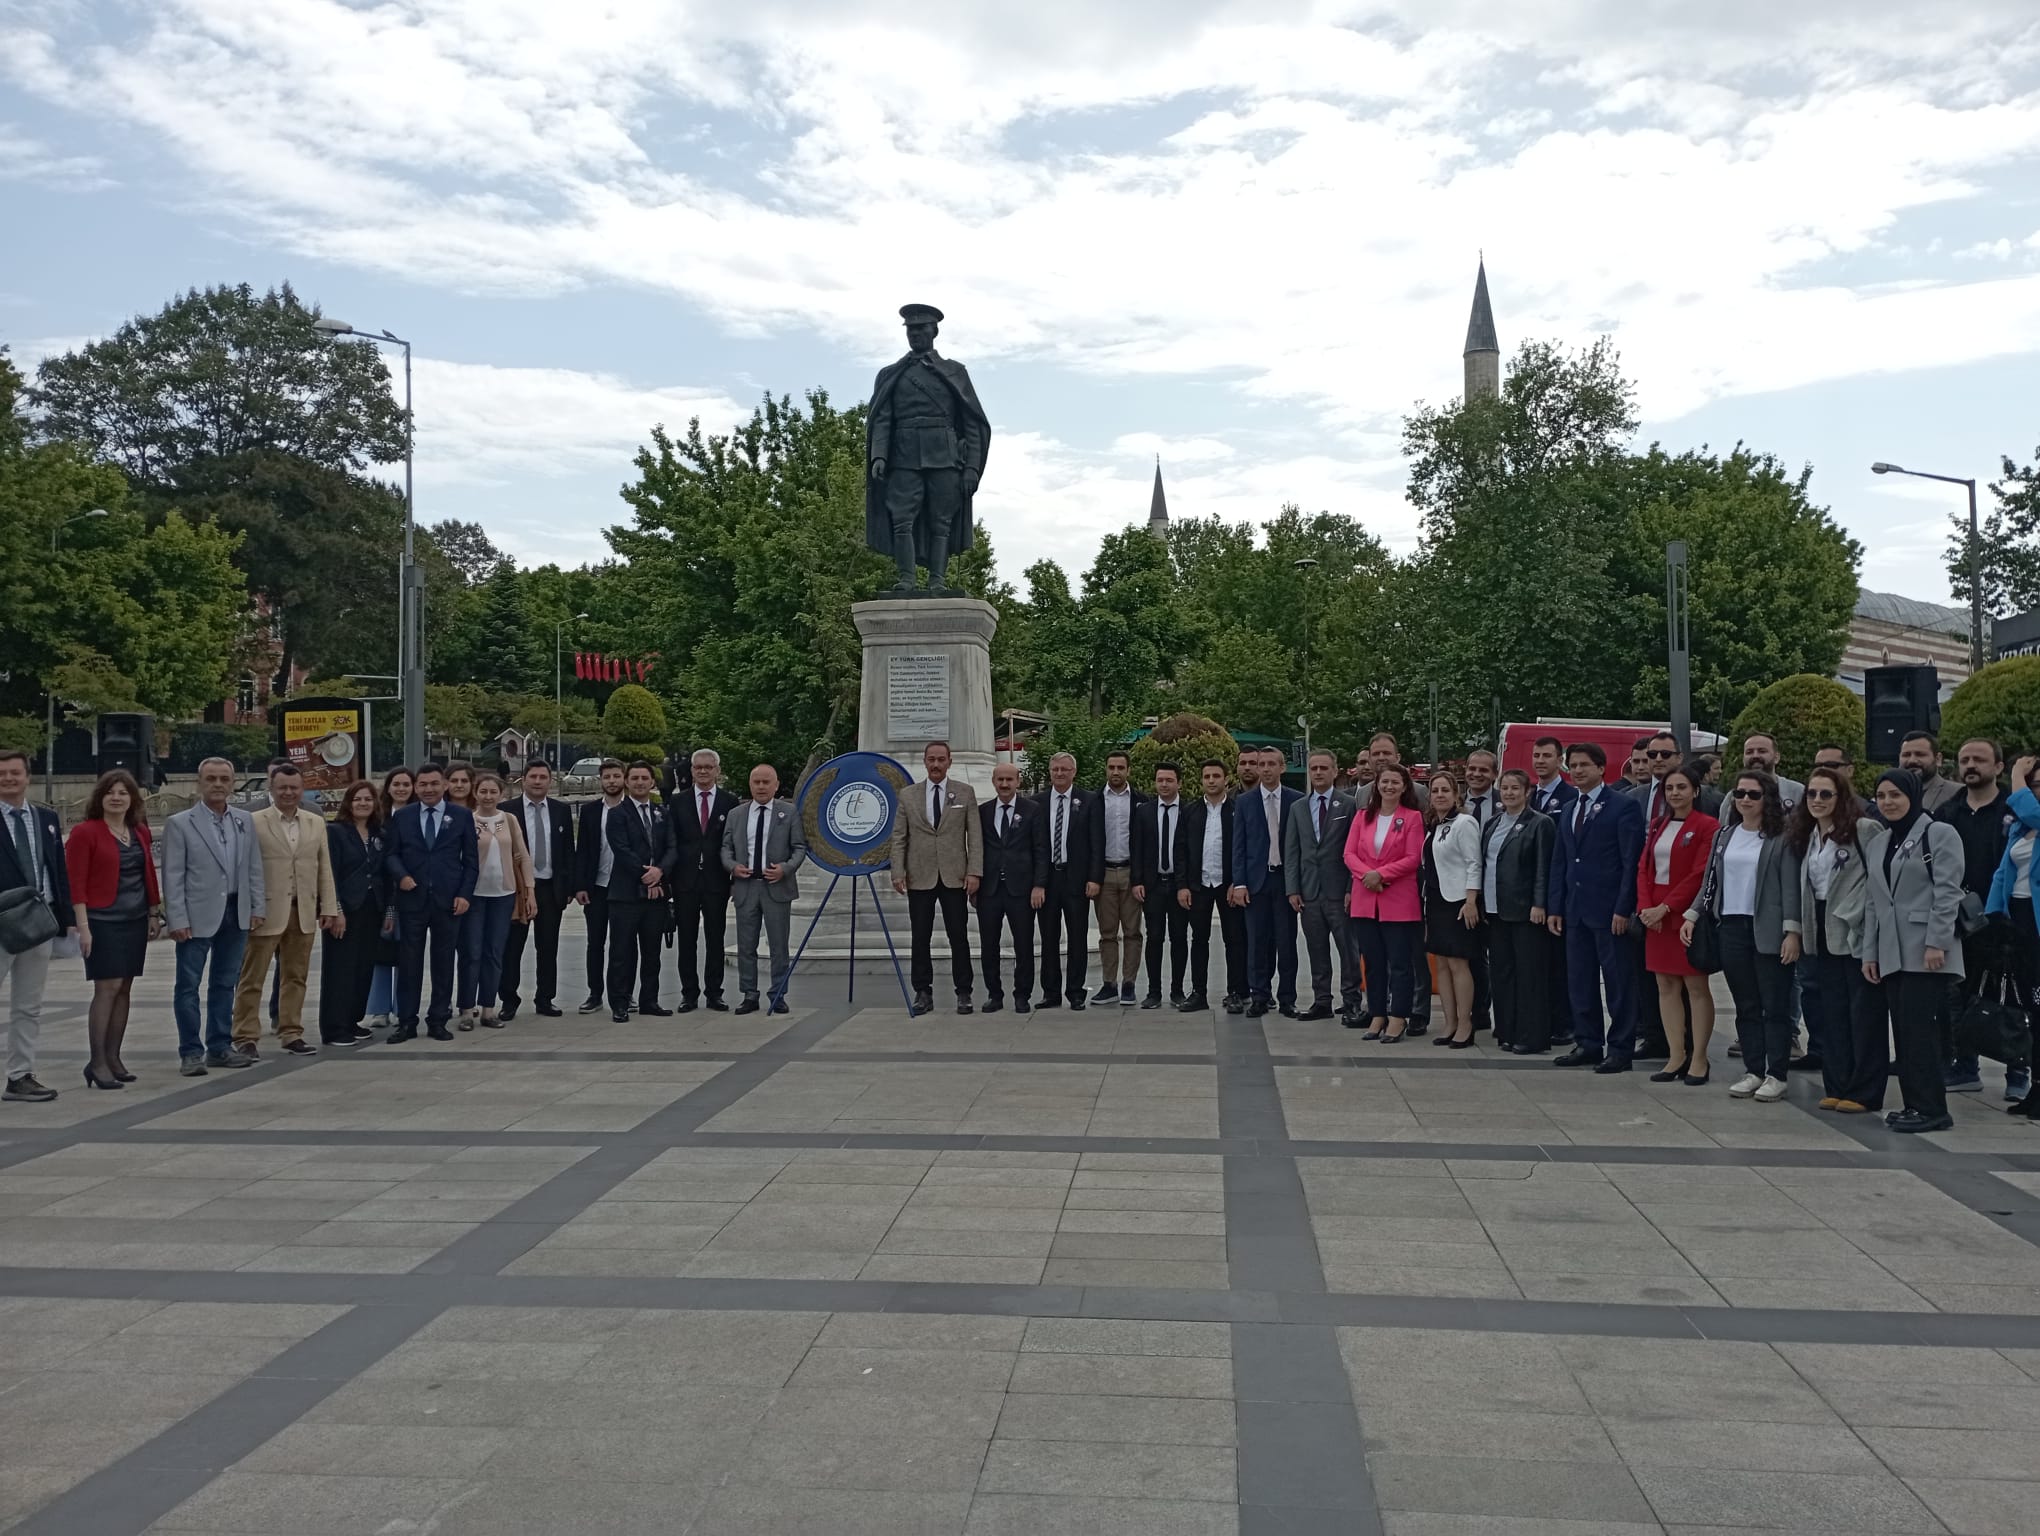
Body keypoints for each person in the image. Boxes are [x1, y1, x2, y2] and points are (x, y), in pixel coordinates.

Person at [1683, 770, 1802, 1101]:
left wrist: (1792, 931)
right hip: (1731, 925)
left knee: (1774, 1004)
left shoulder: (1782, 837)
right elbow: (1710, 881)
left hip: (1768, 927)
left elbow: (1791, 887)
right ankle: (1754, 1070)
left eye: (1753, 794)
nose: (1745, 800)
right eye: (1740, 793)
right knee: (1746, 1004)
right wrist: (1693, 914)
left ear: (1768, 799)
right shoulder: (1725, 835)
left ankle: (1776, 1073)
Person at [1860, 769, 1966, 1133]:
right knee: (1903, 1032)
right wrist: (1869, 953)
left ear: (1912, 796)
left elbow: (1947, 890)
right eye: (1882, 795)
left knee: (1920, 1031)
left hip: (1926, 949)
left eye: (1895, 795)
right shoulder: (1880, 842)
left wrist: (1938, 941)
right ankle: (1914, 1103)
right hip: (1891, 951)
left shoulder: (1938, 833)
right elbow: (1875, 902)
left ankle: (1932, 1108)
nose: (1888, 802)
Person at [1547, 742, 1645, 1073]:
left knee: (1618, 982)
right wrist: (1555, 906)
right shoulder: (1570, 808)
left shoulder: (1622, 807)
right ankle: (1588, 1042)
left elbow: (1630, 862)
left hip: (1608, 911)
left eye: (1584, 765)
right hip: (1575, 911)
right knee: (1580, 980)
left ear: (1602, 768)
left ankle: (1620, 1048)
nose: (1577, 771)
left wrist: (1622, 908)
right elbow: (1561, 861)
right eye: (1572, 765)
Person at [162, 756, 264, 1075]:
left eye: (224, 779)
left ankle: (219, 1046)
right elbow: (173, 875)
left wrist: (257, 907)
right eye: (211, 779)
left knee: (225, 982)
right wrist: (177, 918)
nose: (218, 784)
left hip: (236, 911)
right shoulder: (181, 823)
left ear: (232, 783)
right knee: (188, 985)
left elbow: (253, 867)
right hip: (196, 915)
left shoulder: (244, 820)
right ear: (199, 783)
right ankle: (191, 1051)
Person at [1793, 765, 1886, 1113]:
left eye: (1825, 794)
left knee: (1863, 1013)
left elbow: (1879, 880)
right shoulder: (1807, 833)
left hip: (1856, 929)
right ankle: (1838, 1083)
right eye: (1812, 794)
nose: (1817, 800)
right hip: (1821, 928)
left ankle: (1864, 1090)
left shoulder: (1863, 829)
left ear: (1841, 797)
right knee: (1832, 1012)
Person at [232, 763, 340, 1059]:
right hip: (265, 912)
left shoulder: (314, 821)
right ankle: (245, 1035)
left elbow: (324, 868)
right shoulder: (253, 821)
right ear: (272, 788)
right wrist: (251, 908)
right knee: (252, 977)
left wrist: (329, 906)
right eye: (283, 788)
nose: (289, 793)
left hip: (302, 911)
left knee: (296, 976)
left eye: (294, 788)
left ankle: (291, 1032)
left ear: (302, 789)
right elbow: (244, 870)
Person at [64, 770, 162, 1089]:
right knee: (107, 987)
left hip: (134, 918)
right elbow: (75, 883)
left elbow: (148, 873)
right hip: (101, 919)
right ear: (100, 797)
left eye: (123, 792)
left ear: (133, 799)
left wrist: (153, 913)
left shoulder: (140, 832)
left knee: (125, 988)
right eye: (110, 792)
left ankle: (114, 1057)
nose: (116, 797)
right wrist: (83, 926)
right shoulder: (85, 832)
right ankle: (97, 1062)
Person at [1634, 762, 1719, 1086]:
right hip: (1654, 916)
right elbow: (1644, 867)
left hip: (1684, 917)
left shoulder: (1708, 825)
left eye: (1681, 787)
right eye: (1670, 788)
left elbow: (1700, 873)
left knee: (1695, 987)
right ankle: (1675, 1055)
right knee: (1665, 986)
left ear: (1695, 791)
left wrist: (1667, 909)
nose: (1675, 793)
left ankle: (1699, 1058)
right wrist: (1645, 908)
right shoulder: (1658, 824)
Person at [1934, 737, 2010, 1095]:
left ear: (1998, 767)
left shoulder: (2013, 811)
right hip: (1959, 920)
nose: (1970, 765)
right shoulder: (1948, 813)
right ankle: (1964, 1067)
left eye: (1979, 759)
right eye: (1965, 759)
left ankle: (2019, 1072)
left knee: (2010, 996)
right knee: (1957, 996)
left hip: (2005, 919)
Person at [0, 749, 75, 1102]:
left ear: (27, 777)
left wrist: (67, 921)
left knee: (28, 1005)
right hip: (2, 922)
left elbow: (57, 870)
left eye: (15, 773)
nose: (9, 779)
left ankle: (21, 1075)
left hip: (37, 921)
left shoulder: (45, 818)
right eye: (2, 773)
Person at [384, 762, 477, 1043]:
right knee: (409, 962)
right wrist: (401, 876)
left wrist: (464, 894)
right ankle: (407, 1022)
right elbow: (391, 855)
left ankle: (438, 1019)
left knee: (443, 962)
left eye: (434, 784)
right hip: (412, 899)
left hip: (448, 901)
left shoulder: (460, 816)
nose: (428, 789)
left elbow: (471, 863)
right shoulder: (403, 817)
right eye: (422, 784)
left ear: (445, 785)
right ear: (416, 787)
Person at [892, 740, 980, 1016]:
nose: (936, 765)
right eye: (931, 759)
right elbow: (899, 836)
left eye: (941, 759)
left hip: (954, 876)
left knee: (959, 936)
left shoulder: (964, 792)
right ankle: (922, 991)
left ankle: (964, 992)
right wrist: (897, 870)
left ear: (950, 761)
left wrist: (974, 871)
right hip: (920, 875)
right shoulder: (908, 795)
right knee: (920, 936)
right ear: (924, 761)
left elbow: (974, 836)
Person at [1343, 763, 1426, 1041]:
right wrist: (1368, 875)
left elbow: (1413, 858)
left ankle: (1398, 1016)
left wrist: (1381, 874)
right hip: (1365, 900)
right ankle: (1377, 1014)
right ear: (1376, 785)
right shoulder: (1363, 816)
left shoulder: (1412, 818)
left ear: (1404, 787)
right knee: (1374, 962)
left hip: (1398, 902)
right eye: (1384, 781)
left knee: (1400, 963)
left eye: (1395, 782)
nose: (1389, 787)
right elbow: (1349, 854)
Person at [1481, 770, 1556, 1054]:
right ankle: (1507, 1031)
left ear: (1527, 792)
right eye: (1505, 788)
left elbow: (1542, 867)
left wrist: (1539, 903)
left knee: (1529, 975)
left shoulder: (1540, 824)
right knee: (1502, 974)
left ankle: (1531, 1035)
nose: (1510, 793)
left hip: (1526, 911)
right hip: (1495, 909)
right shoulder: (1492, 823)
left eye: (1516, 788)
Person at [723, 762, 807, 1014]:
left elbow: (800, 848)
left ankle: (778, 993)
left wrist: (786, 868)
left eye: (766, 782)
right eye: (756, 782)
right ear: (750, 784)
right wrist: (732, 867)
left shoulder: (788, 812)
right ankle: (749, 994)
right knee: (746, 945)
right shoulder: (737, 814)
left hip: (776, 887)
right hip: (746, 887)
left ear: (776, 784)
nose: (761, 786)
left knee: (778, 945)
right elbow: (725, 847)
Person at [458, 771, 535, 1029]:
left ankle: (489, 1008)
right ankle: (467, 1010)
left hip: (504, 895)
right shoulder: (466, 820)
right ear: (475, 793)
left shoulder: (510, 820)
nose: (488, 796)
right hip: (474, 897)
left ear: (501, 794)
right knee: (472, 952)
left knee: (494, 952)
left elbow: (523, 856)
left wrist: (529, 890)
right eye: (483, 791)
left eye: (493, 792)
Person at [499, 759, 574, 1021]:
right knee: (512, 946)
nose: (538, 781)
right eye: (533, 777)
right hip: (518, 889)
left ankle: (545, 998)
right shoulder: (506, 811)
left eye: (543, 777)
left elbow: (567, 851)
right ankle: (508, 999)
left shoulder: (561, 810)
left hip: (550, 887)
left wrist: (569, 887)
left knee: (548, 945)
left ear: (550, 780)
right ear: (524, 779)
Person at [1285, 748, 1357, 1022]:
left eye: (1323, 768)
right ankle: (1322, 1000)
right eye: (1313, 768)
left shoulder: (1347, 805)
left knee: (1348, 949)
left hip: (1339, 892)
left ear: (1334, 771)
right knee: (1316, 948)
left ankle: (1351, 1001)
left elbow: (1355, 849)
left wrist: (1352, 888)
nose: (1317, 773)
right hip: (1309, 892)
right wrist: (1293, 888)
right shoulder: (1298, 808)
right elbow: (1292, 851)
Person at [1232, 745, 1300, 1019]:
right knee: (1257, 943)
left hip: (1285, 881)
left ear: (1282, 767)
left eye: (1273, 764)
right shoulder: (1245, 802)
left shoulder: (1296, 800)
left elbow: (1300, 846)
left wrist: (1299, 885)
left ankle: (1287, 998)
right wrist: (1239, 883)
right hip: (1256, 882)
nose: (1267, 769)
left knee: (1286, 943)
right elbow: (1239, 845)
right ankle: (1259, 995)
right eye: (1263, 764)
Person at [1989, 754, 2040, 1114]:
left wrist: (2017, 775)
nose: (2035, 791)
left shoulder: (2031, 814)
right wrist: (1993, 915)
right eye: (2034, 784)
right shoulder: (2023, 827)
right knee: (2029, 1011)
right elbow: (2003, 873)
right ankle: (2034, 1089)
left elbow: (2032, 810)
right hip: (2019, 922)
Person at [604, 760, 673, 1022]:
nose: (640, 782)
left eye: (645, 778)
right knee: (622, 952)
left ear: (652, 781)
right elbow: (621, 850)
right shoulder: (617, 814)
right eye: (635, 778)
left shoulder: (662, 812)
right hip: (624, 894)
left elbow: (672, 847)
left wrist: (660, 873)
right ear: (627, 782)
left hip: (656, 895)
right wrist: (648, 876)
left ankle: (650, 1000)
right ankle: (620, 1003)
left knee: (652, 951)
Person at [670, 748, 737, 1013]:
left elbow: (734, 843)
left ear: (717, 771)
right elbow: (671, 842)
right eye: (698, 767)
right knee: (686, 939)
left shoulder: (729, 802)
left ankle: (714, 992)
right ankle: (689, 993)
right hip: (685, 881)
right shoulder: (678, 802)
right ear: (692, 771)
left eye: (709, 767)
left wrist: (733, 876)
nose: (703, 771)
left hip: (716, 881)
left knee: (715, 938)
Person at [319, 781, 385, 1048]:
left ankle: (352, 1020)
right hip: (344, 908)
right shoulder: (335, 832)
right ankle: (334, 1027)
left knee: (363, 966)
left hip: (371, 907)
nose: (363, 804)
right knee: (340, 969)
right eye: (357, 799)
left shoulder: (377, 832)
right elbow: (330, 872)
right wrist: (336, 910)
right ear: (348, 802)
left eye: (368, 799)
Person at [1421, 769, 1482, 1048]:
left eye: (1445, 790)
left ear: (1456, 795)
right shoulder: (1436, 825)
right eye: (1435, 791)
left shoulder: (1464, 823)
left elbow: (1474, 862)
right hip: (1435, 900)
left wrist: (1471, 900)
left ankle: (1466, 1023)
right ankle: (1449, 1022)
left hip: (1457, 902)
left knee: (1459, 963)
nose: (1440, 795)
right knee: (1442, 965)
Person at [977, 762, 1044, 1014]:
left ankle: (1022, 995)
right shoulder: (983, 811)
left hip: (1022, 889)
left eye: (1009, 780)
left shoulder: (1032, 810)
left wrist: (1039, 884)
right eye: (1000, 780)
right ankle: (994, 994)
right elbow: (976, 847)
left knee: (1024, 944)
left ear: (1018, 781)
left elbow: (1040, 849)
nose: (1004, 784)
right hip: (990, 889)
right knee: (989, 944)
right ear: (993, 782)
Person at [1032, 752, 1096, 1010]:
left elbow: (1096, 842)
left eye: (1064, 770)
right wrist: (1036, 882)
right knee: (1048, 937)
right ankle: (1050, 992)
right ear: (1050, 772)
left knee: (1077, 937)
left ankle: (1076, 991)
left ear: (1074, 772)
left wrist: (1094, 877)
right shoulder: (1036, 803)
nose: (1059, 774)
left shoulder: (1089, 801)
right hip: (1047, 879)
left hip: (1076, 880)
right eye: (1055, 769)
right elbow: (1034, 846)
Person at [1183, 758, 1242, 1013]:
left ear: (1226, 779)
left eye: (1216, 776)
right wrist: (1183, 885)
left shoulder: (1237, 809)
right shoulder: (1191, 811)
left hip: (1227, 884)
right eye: (1206, 776)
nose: (1211, 781)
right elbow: (1181, 850)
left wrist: (1237, 882)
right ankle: (1199, 992)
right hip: (1199, 884)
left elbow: (1244, 848)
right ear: (1201, 780)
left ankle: (1236, 992)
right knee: (1199, 940)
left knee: (1235, 940)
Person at [1090, 749, 1146, 1006]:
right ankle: (1109, 983)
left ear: (1128, 770)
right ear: (1106, 769)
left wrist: (1140, 878)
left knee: (1133, 932)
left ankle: (1129, 984)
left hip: (1130, 873)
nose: (1115, 772)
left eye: (1120, 768)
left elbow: (1147, 843)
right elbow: (1088, 842)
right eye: (1111, 767)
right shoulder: (1095, 801)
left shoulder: (1141, 801)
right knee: (1107, 933)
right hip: (1103, 874)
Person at [1136, 762, 1192, 1008]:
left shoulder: (1189, 811)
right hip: (1153, 885)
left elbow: (1191, 852)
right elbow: (1136, 849)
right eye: (1160, 780)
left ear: (1178, 782)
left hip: (1179, 886)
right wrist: (1137, 880)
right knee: (1154, 937)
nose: (1164, 784)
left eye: (1169, 780)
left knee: (1179, 938)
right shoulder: (1144, 811)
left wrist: (1186, 884)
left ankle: (1177, 990)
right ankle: (1153, 991)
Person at [573, 759, 627, 1013]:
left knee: (624, 944)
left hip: (625, 887)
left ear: (624, 778)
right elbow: (582, 849)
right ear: (601, 780)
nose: (612, 781)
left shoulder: (633, 809)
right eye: (607, 777)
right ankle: (595, 993)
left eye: (616, 776)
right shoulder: (591, 811)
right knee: (595, 942)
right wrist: (581, 885)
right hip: (597, 886)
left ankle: (623, 993)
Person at [362, 767, 413, 1029]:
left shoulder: (417, 815)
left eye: (406, 784)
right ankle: (380, 1009)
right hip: (381, 893)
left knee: (406, 953)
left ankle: (404, 1006)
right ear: (389, 787)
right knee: (381, 951)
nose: (402, 789)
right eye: (397, 784)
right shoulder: (378, 818)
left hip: (410, 892)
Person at [1462, 749, 1499, 1031]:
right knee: (1470, 955)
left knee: (1497, 957)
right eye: (1472, 768)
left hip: (1496, 891)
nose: (1476, 774)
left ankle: (1500, 1012)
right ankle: (1478, 1010)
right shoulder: (1454, 802)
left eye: (1483, 770)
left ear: (1494, 774)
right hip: (1462, 892)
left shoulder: (1505, 802)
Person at [1899, 732, 1960, 814]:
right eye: (1906, 755)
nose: (1912, 760)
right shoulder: (1886, 795)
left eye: (1920, 754)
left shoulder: (1958, 793)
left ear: (1938, 759)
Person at [1741, 732, 1805, 806]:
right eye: (1749, 752)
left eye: (1762, 751)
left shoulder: (1797, 792)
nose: (1755, 756)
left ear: (1776, 757)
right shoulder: (1734, 796)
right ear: (1743, 760)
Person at [1813, 746, 1877, 818]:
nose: (1823, 770)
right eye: (1818, 766)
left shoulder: (1869, 813)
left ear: (1849, 770)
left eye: (1831, 765)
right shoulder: (1806, 815)